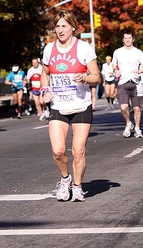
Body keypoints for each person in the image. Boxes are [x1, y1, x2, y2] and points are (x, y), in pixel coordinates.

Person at [40, 9, 100, 202]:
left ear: (73, 27)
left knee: (78, 150)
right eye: (57, 26)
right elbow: (45, 74)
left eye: (63, 26)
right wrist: (45, 90)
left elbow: (96, 77)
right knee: (58, 151)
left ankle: (77, 186)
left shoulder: (84, 48)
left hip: (81, 106)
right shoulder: (49, 49)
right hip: (58, 106)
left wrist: (84, 77)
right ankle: (65, 179)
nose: (60, 30)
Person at [112, 31, 143, 138]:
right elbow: (114, 65)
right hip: (123, 82)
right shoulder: (117, 52)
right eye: (125, 38)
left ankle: (137, 128)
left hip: (136, 82)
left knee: (137, 108)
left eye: (129, 38)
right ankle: (128, 123)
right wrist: (115, 71)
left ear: (133, 39)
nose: (127, 40)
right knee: (123, 107)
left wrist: (140, 71)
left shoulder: (138, 52)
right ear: (123, 40)